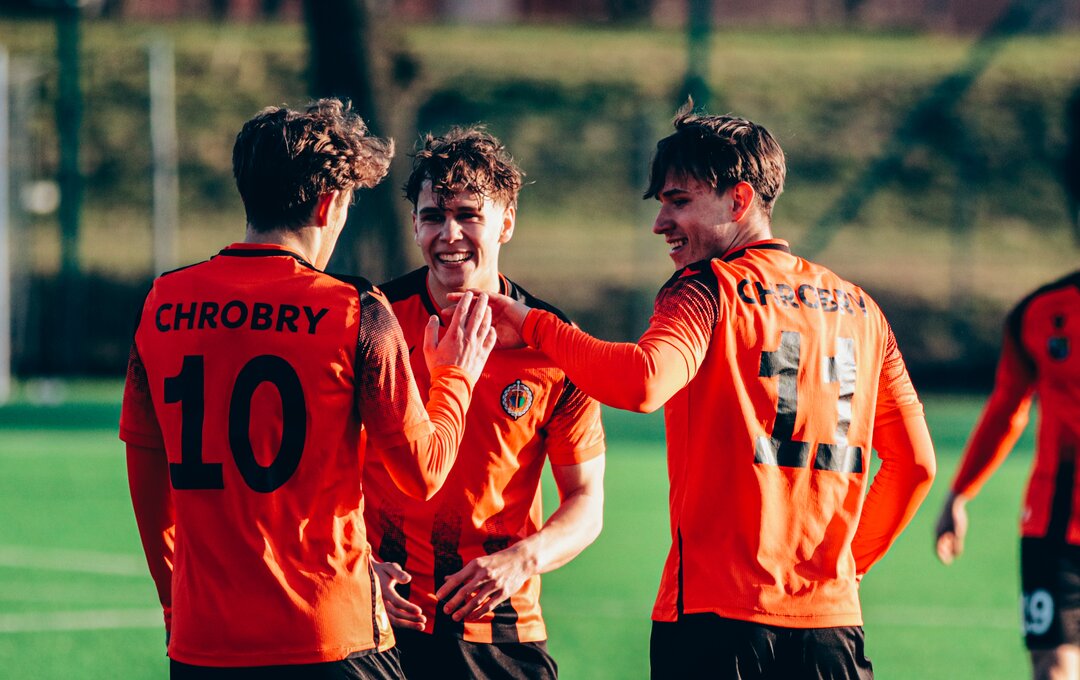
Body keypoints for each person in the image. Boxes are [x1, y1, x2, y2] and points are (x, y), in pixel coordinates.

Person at [478, 104, 937, 679]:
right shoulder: (862, 309)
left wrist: (535, 325)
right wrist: (847, 568)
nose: (660, 222)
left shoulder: (707, 288)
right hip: (831, 628)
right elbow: (915, 465)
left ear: (738, 200)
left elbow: (643, 382)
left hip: (717, 623)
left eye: (678, 201)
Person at [119, 99, 496, 679]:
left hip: (203, 644)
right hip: (328, 637)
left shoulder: (163, 303)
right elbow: (423, 471)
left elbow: (149, 483)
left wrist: (177, 605)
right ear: (328, 203)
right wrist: (456, 377)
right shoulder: (355, 310)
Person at [362, 126, 606, 679]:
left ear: (507, 222)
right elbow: (322, 473)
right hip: (378, 620)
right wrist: (358, 565)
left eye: (468, 215)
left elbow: (586, 499)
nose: (449, 234)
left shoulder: (554, 344)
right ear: (414, 225)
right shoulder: (375, 323)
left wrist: (522, 559)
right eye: (432, 216)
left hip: (500, 630)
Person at [935, 272, 1080, 680]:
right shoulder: (1039, 312)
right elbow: (1006, 408)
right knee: (1053, 668)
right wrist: (959, 494)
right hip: (1053, 528)